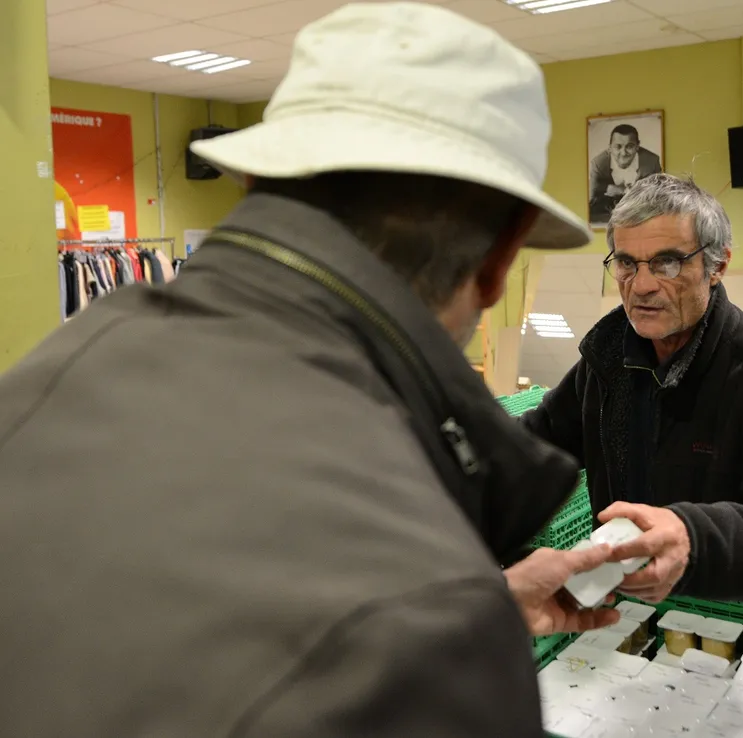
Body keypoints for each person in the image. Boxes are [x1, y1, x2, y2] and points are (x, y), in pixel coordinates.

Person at [0, 4, 621, 737]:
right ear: (500, 260)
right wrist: (463, 626)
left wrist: (477, 605)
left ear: (254, 184)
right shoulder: (424, 626)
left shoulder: (50, 375)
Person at [522, 174, 743, 604]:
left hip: (729, 611)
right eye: (626, 263)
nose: (641, 285)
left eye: (667, 263)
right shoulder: (608, 358)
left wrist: (693, 539)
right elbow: (538, 444)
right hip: (628, 603)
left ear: (717, 266)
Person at [588, 123, 662, 224]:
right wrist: (608, 189)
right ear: (610, 148)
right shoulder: (598, 164)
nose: (623, 153)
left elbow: (659, 199)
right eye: (618, 147)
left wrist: (631, 191)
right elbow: (592, 202)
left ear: (637, 146)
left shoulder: (652, 162)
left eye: (629, 146)